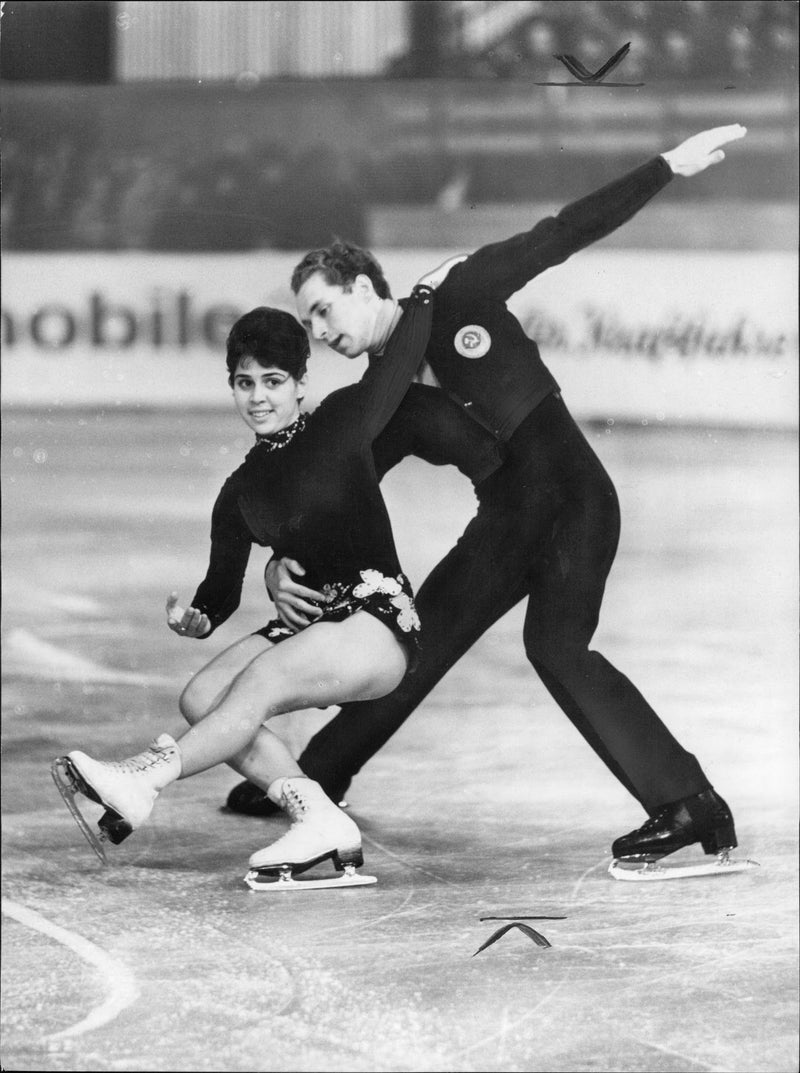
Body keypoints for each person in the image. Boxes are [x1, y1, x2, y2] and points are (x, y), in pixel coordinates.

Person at [227, 125, 748, 874]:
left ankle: (688, 802)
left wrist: (665, 166)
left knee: (556, 647)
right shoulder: (381, 399)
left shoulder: (460, 291)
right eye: (306, 321)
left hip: (572, 497)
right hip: (507, 519)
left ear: (362, 285)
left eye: (321, 311)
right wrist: (279, 557)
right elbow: (327, 489)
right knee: (419, 639)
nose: (316, 331)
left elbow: (563, 232)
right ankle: (321, 775)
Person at [53, 298, 500, 884]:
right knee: (203, 695)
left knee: (255, 683)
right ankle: (318, 818)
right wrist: (197, 619)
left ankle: (142, 779)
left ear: (299, 383)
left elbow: (403, 350)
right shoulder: (239, 492)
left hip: (375, 618)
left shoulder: (343, 420)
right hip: (307, 626)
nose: (258, 397)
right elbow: (219, 595)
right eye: (244, 383)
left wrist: (420, 296)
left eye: (273, 380)